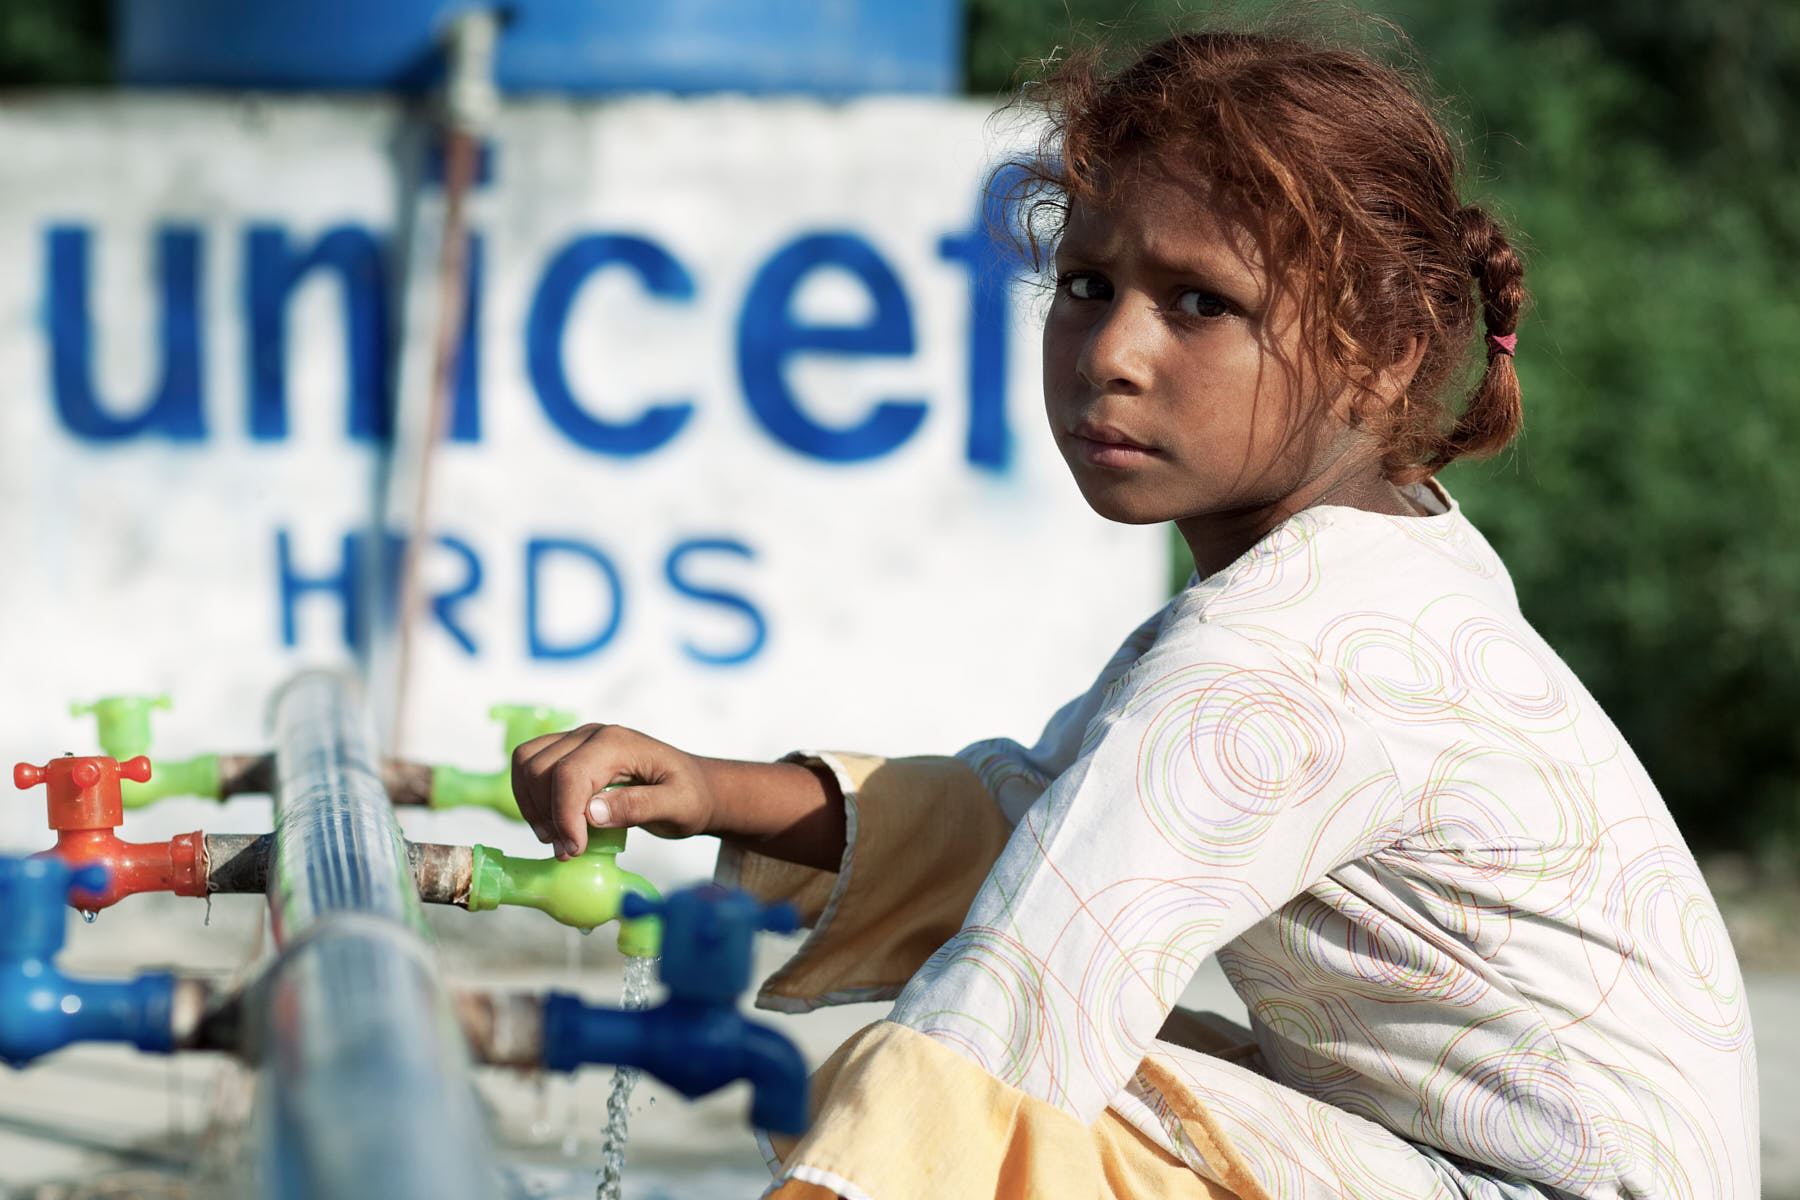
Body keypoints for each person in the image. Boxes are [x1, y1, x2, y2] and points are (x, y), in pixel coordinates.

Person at [512, 22, 1759, 1200]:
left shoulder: (1277, 657)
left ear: (1381, 350)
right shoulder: (1379, 562)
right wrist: (714, 790)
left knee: (986, 1101)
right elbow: (1046, 826)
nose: (1111, 352)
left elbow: (1012, 1006)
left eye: (1200, 303)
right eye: (1087, 284)